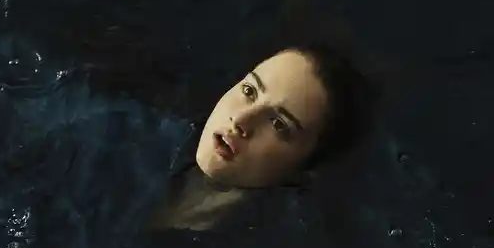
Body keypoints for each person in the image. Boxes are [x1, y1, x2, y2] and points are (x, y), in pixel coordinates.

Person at [150, 42, 374, 231]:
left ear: (303, 172)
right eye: (250, 91)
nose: (240, 120)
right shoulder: (151, 129)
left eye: (278, 124)